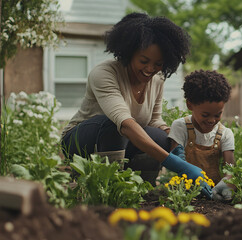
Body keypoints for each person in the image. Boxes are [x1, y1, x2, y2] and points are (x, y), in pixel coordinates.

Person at [60, 12, 211, 198]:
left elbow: (155, 120)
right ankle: (107, 189)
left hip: (121, 140)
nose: (150, 69)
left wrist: (174, 144)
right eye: (144, 61)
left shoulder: (157, 79)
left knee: (160, 137)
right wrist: (175, 164)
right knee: (114, 125)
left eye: (158, 64)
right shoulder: (105, 73)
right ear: (129, 53)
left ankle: (143, 192)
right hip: (81, 141)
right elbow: (124, 123)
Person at [168, 70, 236, 200]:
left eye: (217, 115)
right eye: (205, 115)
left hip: (213, 193)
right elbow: (176, 161)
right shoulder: (180, 127)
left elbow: (231, 170)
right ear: (190, 105)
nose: (211, 120)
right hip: (184, 193)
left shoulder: (225, 134)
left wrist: (227, 183)